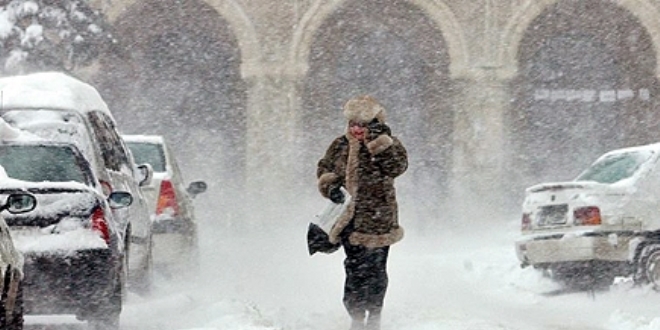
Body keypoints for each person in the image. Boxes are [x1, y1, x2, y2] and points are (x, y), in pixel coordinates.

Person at [316, 95, 408, 330]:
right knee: (354, 268)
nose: (356, 129)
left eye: (362, 124)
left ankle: (374, 314)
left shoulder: (387, 145)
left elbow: (397, 167)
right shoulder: (340, 145)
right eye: (352, 124)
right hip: (349, 220)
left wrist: (380, 142)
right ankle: (356, 314)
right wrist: (330, 186)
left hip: (378, 218)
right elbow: (324, 167)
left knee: (376, 270)